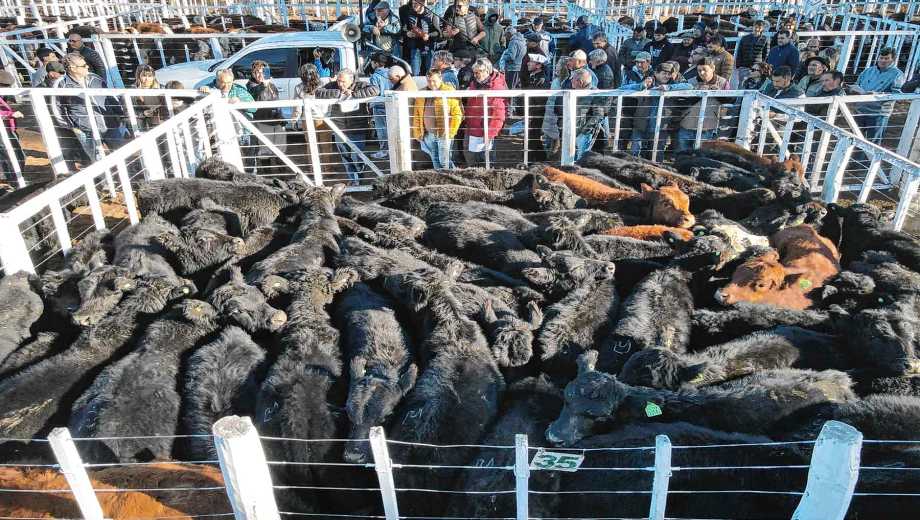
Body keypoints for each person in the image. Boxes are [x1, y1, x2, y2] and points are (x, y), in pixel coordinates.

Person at [50, 53, 125, 167]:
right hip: (85, 129)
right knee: (97, 159)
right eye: (84, 65)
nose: (87, 67)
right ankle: (105, 181)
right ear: (72, 68)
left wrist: (120, 114)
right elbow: (58, 108)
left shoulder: (95, 78)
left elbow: (110, 97)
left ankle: (129, 176)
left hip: (109, 123)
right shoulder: (61, 84)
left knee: (122, 153)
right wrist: (73, 127)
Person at [314, 69, 380, 185]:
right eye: (339, 81)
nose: (340, 84)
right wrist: (337, 93)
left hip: (357, 127)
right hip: (339, 127)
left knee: (357, 156)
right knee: (345, 156)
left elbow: (375, 90)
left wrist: (354, 94)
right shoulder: (333, 86)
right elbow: (318, 92)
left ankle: (358, 176)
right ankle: (353, 179)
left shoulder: (360, 85)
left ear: (351, 79)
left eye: (343, 82)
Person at [620, 61, 691, 157]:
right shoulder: (647, 82)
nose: (666, 76)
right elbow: (623, 87)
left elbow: (689, 86)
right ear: (656, 73)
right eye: (664, 73)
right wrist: (641, 86)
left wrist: (669, 87)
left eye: (669, 74)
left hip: (661, 126)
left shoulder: (673, 84)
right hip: (641, 123)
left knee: (657, 153)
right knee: (636, 150)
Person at [850, 47, 905, 143]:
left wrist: (877, 95)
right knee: (853, 140)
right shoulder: (868, 71)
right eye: (881, 58)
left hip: (878, 114)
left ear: (893, 60)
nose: (883, 60)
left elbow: (897, 94)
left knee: (873, 143)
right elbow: (856, 84)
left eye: (886, 58)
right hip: (859, 111)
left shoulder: (898, 74)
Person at [412, 69, 463, 169]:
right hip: (428, 133)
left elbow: (457, 114)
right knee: (435, 160)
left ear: (441, 79)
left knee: (444, 162)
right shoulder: (422, 93)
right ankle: (441, 181)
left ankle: (454, 180)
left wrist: (451, 132)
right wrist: (418, 131)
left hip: (444, 133)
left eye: (434, 81)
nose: (431, 83)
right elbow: (417, 114)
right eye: (429, 81)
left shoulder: (449, 91)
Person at [678, 59, 728, 152]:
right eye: (699, 70)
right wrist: (698, 94)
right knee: (682, 153)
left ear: (713, 68)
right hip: (687, 124)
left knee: (702, 154)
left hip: (708, 126)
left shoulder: (723, 82)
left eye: (705, 70)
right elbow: (683, 102)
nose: (701, 73)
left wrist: (719, 93)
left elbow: (730, 101)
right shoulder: (690, 81)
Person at [463, 58, 507, 166]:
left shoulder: (496, 87)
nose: (477, 75)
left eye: (479, 72)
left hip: (486, 129)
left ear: (487, 70)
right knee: (471, 155)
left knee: (486, 158)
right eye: (475, 72)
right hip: (473, 126)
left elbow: (498, 113)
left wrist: (491, 132)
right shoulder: (474, 84)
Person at [246, 60, 286, 170]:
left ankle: (283, 174)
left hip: (275, 121)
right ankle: (268, 174)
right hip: (261, 122)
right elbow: (255, 93)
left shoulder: (271, 85)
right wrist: (263, 85)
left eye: (263, 72)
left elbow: (277, 103)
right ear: (253, 73)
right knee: (265, 151)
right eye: (257, 72)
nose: (260, 75)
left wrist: (282, 119)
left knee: (280, 149)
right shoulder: (250, 86)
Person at [400, 0, 437, 76]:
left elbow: (437, 32)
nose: (414, 5)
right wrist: (407, 33)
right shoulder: (409, 15)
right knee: (415, 72)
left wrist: (429, 35)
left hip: (428, 46)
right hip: (415, 47)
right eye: (413, 3)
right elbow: (403, 29)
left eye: (416, 4)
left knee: (430, 72)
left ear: (422, 4)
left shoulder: (431, 15)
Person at [541, 57, 569, 157]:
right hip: (553, 109)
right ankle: (554, 151)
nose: (556, 67)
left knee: (553, 133)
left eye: (558, 66)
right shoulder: (560, 80)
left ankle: (552, 153)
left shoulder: (560, 81)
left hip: (554, 109)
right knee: (553, 132)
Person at [367, 54, 392, 158]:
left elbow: (374, 93)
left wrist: (370, 104)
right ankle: (392, 150)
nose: (371, 64)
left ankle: (384, 151)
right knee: (391, 128)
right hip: (391, 104)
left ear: (376, 63)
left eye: (372, 62)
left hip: (379, 106)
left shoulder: (375, 76)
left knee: (382, 129)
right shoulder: (391, 73)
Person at [0, 71, 25, 177]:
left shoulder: (3, 95)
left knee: (14, 155)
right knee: (12, 156)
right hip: (4, 130)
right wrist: (11, 114)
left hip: (8, 129)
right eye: (6, 85)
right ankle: (15, 181)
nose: (8, 88)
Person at [734, 19, 769, 87]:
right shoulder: (744, 38)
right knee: (742, 85)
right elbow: (739, 52)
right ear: (753, 27)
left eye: (759, 27)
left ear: (762, 28)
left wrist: (761, 67)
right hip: (744, 66)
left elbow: (766, 54)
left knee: (754, 86)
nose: (757, 29)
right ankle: (739, 98)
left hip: (757, 67)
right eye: (755, 27)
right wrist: (738, 65)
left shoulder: (765, 39)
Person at [133, 64, 164, 131]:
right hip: (146, 126)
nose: (147, 79)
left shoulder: (162, 88)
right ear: (138, 77)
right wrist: (143, 113)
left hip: (163, 122)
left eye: (150, 76)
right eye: (144, 76)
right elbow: (128, 113)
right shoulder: (132, 92)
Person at [498, 26, 527, 90]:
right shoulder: (522, 41)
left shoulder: (513, 42)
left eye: (506, 35)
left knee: (510, 89)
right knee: (517, 88)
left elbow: (511, 56)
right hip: (520, 68)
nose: (506, 37)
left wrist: (504, 56)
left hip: (512, 69)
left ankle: (510, 100)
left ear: (509, 34)